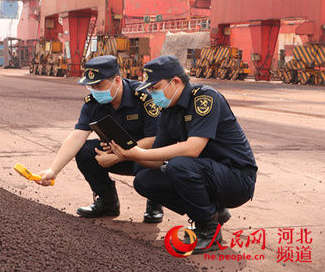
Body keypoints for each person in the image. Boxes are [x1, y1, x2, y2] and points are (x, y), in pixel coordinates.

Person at [109, 55, 257, 254]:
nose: (153, 94)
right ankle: (211, 213)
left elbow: (192, 148)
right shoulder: (168, 111)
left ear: (176, 82)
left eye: (155, 88)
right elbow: (157, 158)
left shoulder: (205, 98)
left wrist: (139, 151)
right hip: (207, 174)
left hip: (237, 178)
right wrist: (128, 155)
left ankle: (209, 231)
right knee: (144, 179)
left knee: (179, 165)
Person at [36, 55, 164, 223]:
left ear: (117, 80)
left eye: (99, 85)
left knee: (149, 167)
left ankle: (155, 202)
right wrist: (53, 171)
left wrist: (120, 155)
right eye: (91, 86)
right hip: (114, 154)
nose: (95, 90)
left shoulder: (143, 96)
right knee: (84, 152)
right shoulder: (93, 102)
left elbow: (154, 139)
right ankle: (107, 202)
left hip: (146, 156)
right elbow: (77, 136)